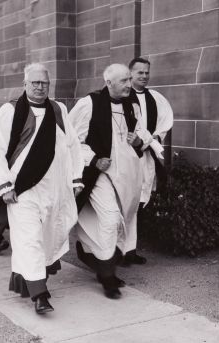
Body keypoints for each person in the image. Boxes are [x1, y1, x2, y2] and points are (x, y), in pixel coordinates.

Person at [0, 63, 83, 314]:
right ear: (25, 84)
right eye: (35, 83)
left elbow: (72, 145)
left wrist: (76, 178)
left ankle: (29, 280)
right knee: (28, 238)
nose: (40, 87)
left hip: (55, 188)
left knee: (49, 235)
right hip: (22, 189)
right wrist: (4, 185)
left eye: (45, 83)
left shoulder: (58, 109)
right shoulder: (9, 111)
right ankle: (40, 295)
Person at [68, 63, 153, 299]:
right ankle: (107, 275)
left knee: (120, 218)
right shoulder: (89, 104)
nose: (129, 84)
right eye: (124, 81)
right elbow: (71, 139)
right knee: (110, 218)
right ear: (108, 83)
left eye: (129, 79)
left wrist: (138, 141)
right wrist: (94, 159)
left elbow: (142, 133)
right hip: (99, 174)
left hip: (126, 173)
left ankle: (91, 254)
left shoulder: (131, 104)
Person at [125, 57, 174, 265]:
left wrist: (154, 139)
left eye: (147, 72)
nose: (144, 76)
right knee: (124, 200)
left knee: (137, 201)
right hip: (127, 155)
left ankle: (130, 250)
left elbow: (165, 121)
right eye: (140, 73)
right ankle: (116, 250)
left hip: (146, 155)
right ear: (130, 73)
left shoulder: (155, 97)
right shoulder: (122, 96)